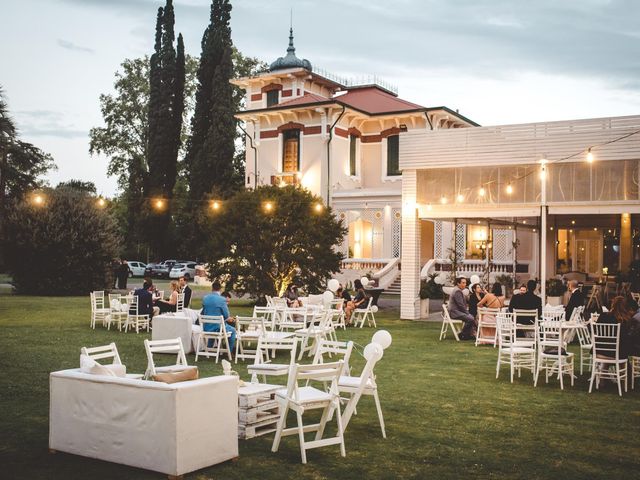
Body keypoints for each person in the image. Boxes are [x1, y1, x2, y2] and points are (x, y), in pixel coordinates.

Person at [201, 281, 236, 355]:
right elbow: (227, 315)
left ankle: (209, 350)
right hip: (217, 328)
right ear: (220, 289)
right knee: (233, 331)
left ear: (212, 288)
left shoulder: (205, 298)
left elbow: (203, 312)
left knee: (214, 325)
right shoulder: (222, 299)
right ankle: (228, 352)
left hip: (206, 328)